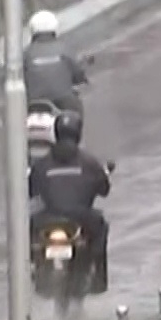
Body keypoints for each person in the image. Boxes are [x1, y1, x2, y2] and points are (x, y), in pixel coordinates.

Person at [28, 112, 113, 283]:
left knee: (29, 229)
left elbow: (31, 191)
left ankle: (32, 268)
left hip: (47, 218)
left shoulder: (42, 164)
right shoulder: (89, 163)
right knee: (101, 227)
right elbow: (104, 190)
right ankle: (99, 278)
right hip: (82, 218)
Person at [23, 10, 88, 117]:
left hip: (35, 104)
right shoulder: (64, 49)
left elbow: (20, 76)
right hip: (64, 102)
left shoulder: (27, 53)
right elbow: (77, 72)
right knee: (75, 114)